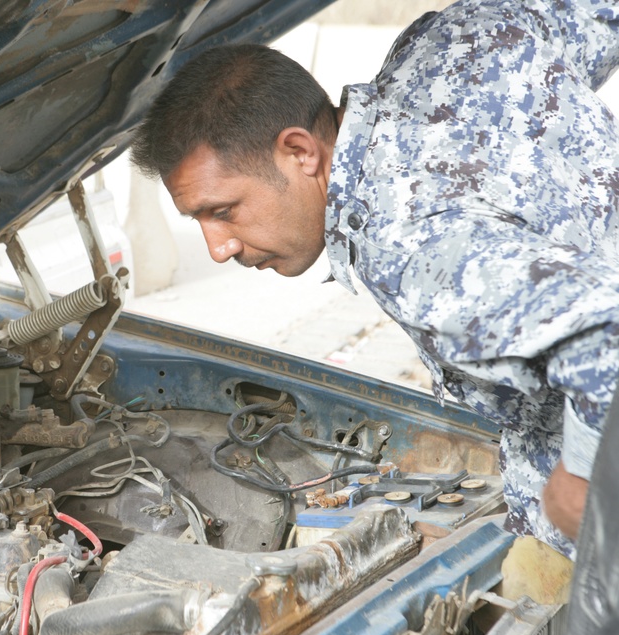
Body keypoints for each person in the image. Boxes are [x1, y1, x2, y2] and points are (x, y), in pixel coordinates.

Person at [129, 0, 619, 557]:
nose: (218, 249)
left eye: (223, 211)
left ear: (299, 152)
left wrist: (579, 479)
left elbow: (607, 334)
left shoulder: (410, 252)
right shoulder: (451, 41)